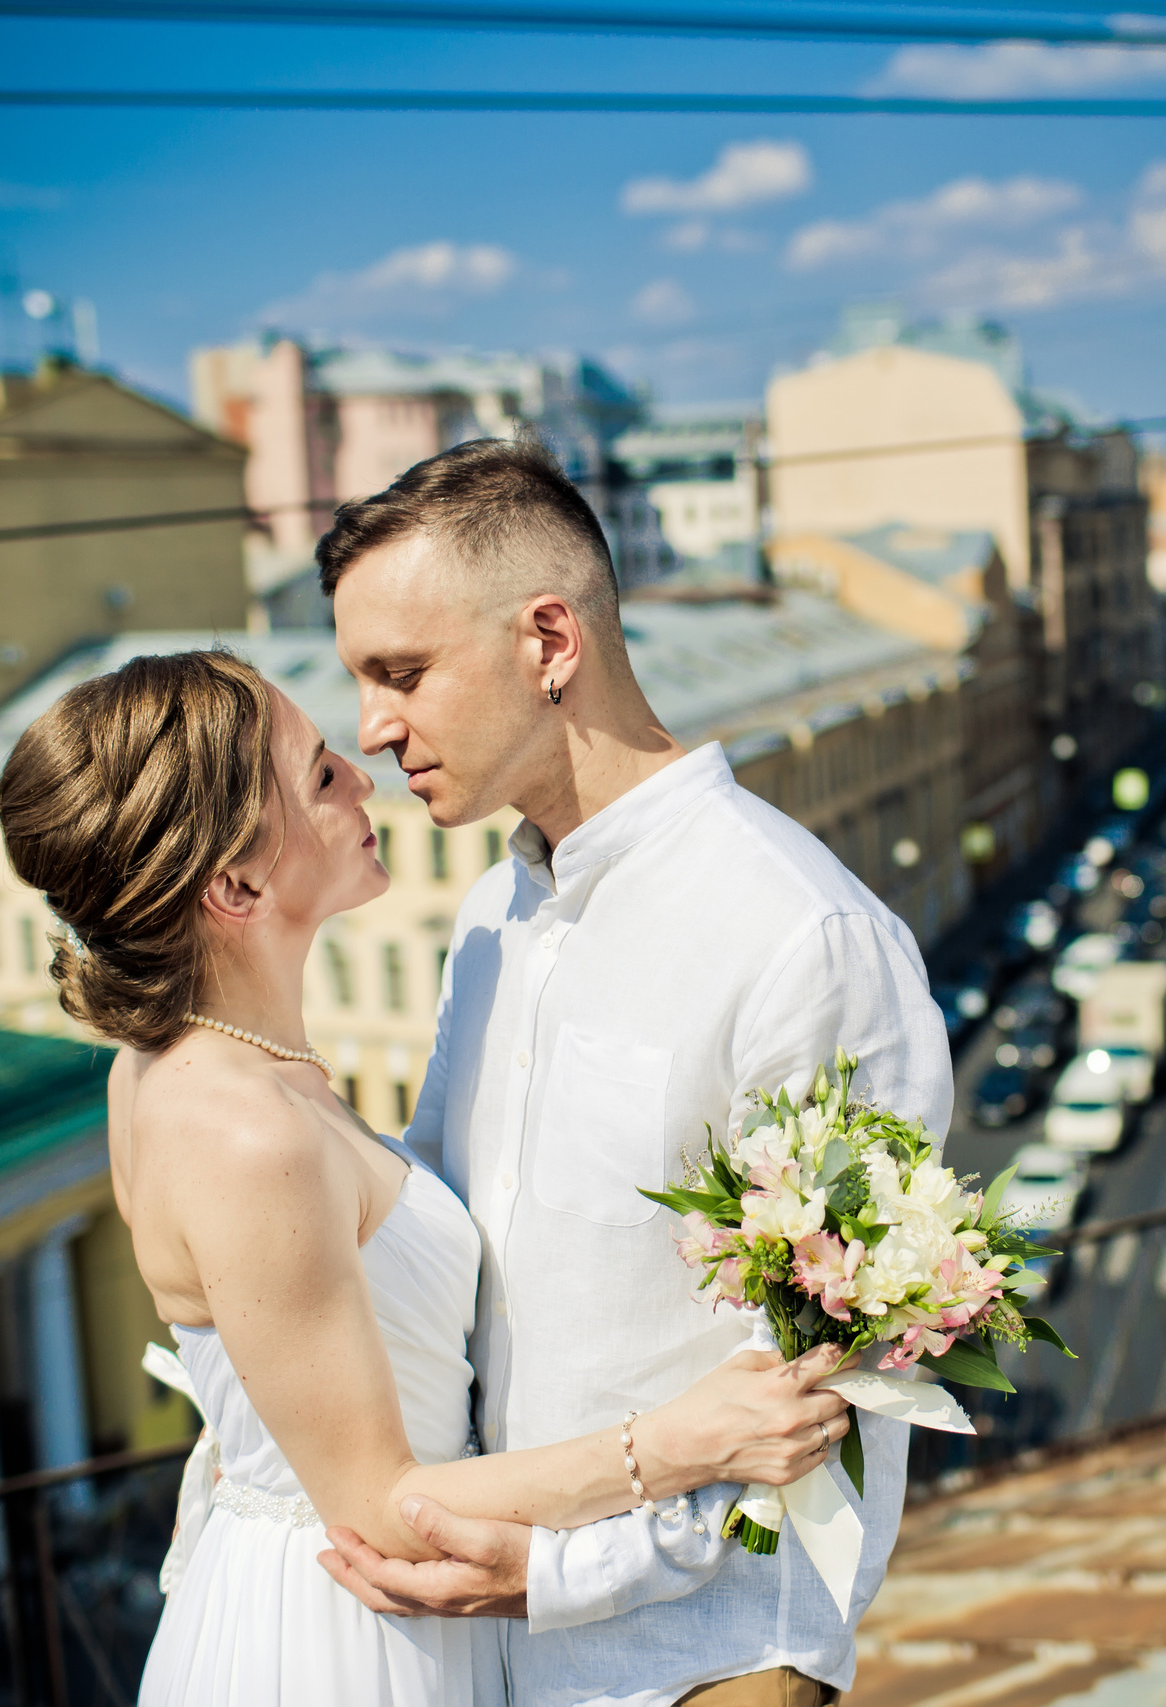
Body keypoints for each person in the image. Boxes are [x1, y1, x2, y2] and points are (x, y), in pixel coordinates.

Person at [0, 648, 858, 1707]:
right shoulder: (241, 1129)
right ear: (234, 885)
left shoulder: (178, 1065)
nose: (363, 776)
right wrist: (684, 1443)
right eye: (320, 775)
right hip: (341, 1645)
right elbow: (380, 1505)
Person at [311, 438, 952, 1707]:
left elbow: (842, 1378)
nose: (373, 730)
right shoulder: (490, 917)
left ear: (549, 641)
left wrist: (553, 1575)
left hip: (701, 1664)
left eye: (402, 675)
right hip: (486, 1651)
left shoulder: (799, 932)